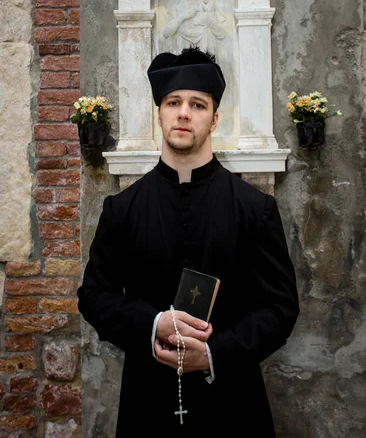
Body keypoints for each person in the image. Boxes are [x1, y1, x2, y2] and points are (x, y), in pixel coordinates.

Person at [77, 46, 299, 436]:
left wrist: (216, 353)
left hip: (234, 404)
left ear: (214, 119)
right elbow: (93, 295)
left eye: (198, 104)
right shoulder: (122, 209)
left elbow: (280, 308)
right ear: (159, 113)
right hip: (147, 402)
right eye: (173, 102)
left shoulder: (256, 208)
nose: (183, 112)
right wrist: (154, 322)